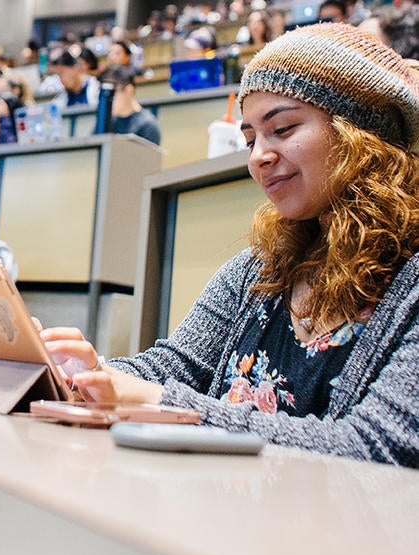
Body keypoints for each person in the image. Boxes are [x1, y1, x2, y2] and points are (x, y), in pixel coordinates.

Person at [38, 23, 419, 467]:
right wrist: (82, 373)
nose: (258, 156)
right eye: (251, 139)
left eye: (283, 128)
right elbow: (172, 368)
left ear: (362, 133)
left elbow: (376, 450)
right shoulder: (255, 271)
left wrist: (162, 403)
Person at [97, 65, 161, 145]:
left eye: (112, 93)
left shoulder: (147, 125)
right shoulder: (106, 121)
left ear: (129, 90)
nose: (108, 99)